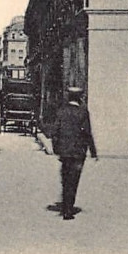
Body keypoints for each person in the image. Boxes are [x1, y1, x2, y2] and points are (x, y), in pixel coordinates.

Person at [51, 86, 97, 220]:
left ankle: (65, 206)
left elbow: (55, 131)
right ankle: (68, 209)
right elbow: (87, 133)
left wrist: (56, 148)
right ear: (80, 97)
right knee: (74, 180)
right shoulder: (83, 112)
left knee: (65, 178)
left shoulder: (61, 111)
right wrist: (93, 151)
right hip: (78, 152)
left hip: (65, 152)